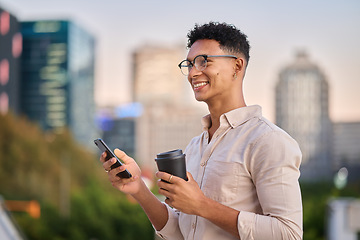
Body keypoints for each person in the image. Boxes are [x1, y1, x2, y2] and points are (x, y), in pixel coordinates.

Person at [100, 22, 303, 240]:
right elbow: (181, 232)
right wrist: (138, 188)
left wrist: (201, 205)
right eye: (189, 64)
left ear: (237, 66)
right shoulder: (196, 146)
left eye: (203, 61)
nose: (193, 73)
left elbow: (288, 233)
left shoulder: (268, 141)